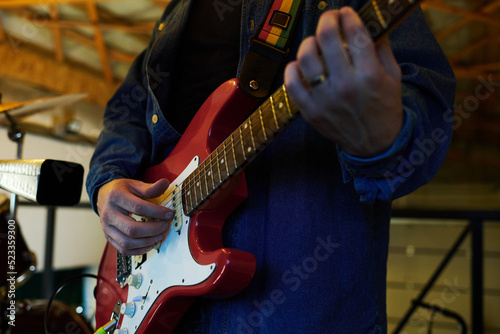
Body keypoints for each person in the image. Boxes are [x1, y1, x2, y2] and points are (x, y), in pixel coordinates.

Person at [86, 0, 455, 332]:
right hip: (160, 300)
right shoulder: (177, 12)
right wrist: (107, 183)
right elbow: (128, 112)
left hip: (296, 310)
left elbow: (428, 110)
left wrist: (379, 134)